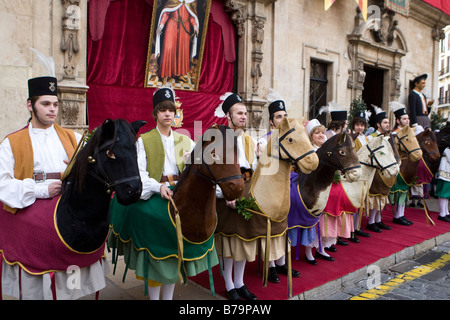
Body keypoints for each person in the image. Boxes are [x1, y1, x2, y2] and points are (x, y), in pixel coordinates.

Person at [0, 76, 86, 299]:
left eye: (55, 104)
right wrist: (40, 190)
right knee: (37, 282)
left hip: (67, 217)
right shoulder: (12, 142)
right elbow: (2, 184)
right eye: (45, 104)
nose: (52, 110)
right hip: (32, 220)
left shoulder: (74, 138)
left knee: (70, 276)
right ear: (30, 105)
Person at [136, 86, 195, 299]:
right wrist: (158, 186)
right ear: (155, 114)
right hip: (155, 193)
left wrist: (191, 161)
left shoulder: (184, 140)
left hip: (179, 194)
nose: (168, 114)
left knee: (174, 252)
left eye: (171, 110)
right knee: (158, 251)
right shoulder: (145, 140)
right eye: (163, 110)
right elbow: (140, 175)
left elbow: (202, 167)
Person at [214, 92, 259, 300]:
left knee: (244, 241)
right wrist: (225, 194)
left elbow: (255, 171)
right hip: (226, 196)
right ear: (228, 116)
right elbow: (211, 173)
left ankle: (240, 282)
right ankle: (229, 284)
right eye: (239, 113)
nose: (243, 116)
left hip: (245, 195)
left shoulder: (250, 140)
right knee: (229, 243)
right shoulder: (215, 138)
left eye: (245, 113)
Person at [257, 92, 300, 284]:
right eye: (278, 116)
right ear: (272, 122)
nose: (282, 119)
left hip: (286, 187)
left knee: (284, 225)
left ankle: (282, 262)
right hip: (268, 190)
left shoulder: (291, 140)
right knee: (270, 227)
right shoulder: (263, 141)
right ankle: (270, 265)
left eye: (284, 115)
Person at [155, 0, 199, 83]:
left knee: (182, 51)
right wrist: (161, 24)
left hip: (185, 28)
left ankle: (179, 74)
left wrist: (195, 26)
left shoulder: (192, 1)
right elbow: (166, 12)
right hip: (172, 24)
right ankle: (164, 74)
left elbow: (192, 16)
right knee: (168, 48)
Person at [367, 105, 392, 232]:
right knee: (375, 196)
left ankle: (378, 220)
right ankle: (371, 221)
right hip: (376, 170)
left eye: (388, 122)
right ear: (378, 124)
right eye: (385, 122)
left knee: (383, 196)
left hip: (386, 170)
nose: (388, 125)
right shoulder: (371, 137)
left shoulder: (389, 137)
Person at [389, 101, 414, 226]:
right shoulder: (394, 134)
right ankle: (397, 215)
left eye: (408, 118)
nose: (407, 121)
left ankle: (402, 214)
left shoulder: (409, 132)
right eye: (404, 119)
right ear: (398, 121)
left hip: (407, 165)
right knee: (398, 190)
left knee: (405, 190)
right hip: (398, 164)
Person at [349, 110, 371, 242]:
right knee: (354, 201)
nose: (360, 127)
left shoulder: (366, 138)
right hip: (355, 171)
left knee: (361, 201)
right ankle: (351, 229)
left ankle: (358, 226)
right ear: (353, 125)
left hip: (365, 172)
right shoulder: (351, 137)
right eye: (357, 125)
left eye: (362, 125)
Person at [435, 147, 450, 222]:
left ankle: (446, 212)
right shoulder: (447, 149)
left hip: (447, 172)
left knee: (446, 195)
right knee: (443, 194)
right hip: (445, 173)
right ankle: (442, 214)